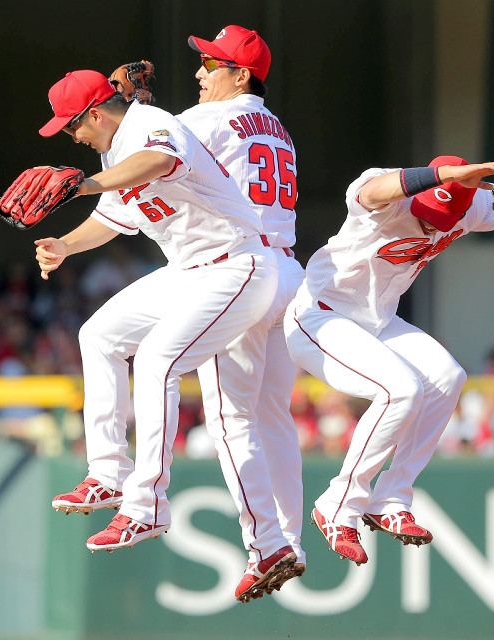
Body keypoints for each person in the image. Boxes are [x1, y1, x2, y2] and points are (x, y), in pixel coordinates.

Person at [35, 70, 296, 592]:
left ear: (95, 114)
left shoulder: (150, 124)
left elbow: (160, 159)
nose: (71, 136)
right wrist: (65, 244)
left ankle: (146, 504)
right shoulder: (113, 152)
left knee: (158, 360)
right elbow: (114, 218)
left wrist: (84, 184)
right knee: (99, 335)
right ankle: (107, 474)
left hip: (238, 264)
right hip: (189, 271)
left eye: (71, 126)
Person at [284, 155, 494, 564]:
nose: (432, 224)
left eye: (442, 217)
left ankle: (391, 499)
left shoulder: (474, 202)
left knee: (448, 377)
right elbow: (373, 190)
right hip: (320, 315)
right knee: (400, 390)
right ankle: (337, 505)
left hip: (378, 320)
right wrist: (442, 176)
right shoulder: (388, 191)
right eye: (429, 213)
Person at [177, 25, 306, 597]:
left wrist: (128, 108)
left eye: (211, 63)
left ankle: (266, 544)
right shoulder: (278, 128)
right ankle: (291, 541)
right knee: (274, 416)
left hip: (243, 270)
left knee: (232, 419)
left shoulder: (205, 119)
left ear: (241, 74)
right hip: (289, 272)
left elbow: (147, 153)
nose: (200, 72)